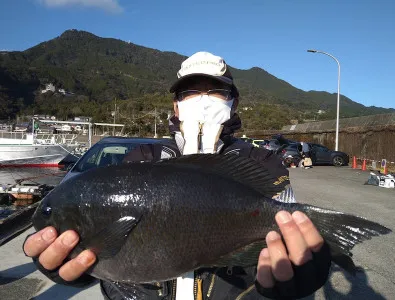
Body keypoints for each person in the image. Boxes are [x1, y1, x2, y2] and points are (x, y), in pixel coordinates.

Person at [23, 52, 331, 299]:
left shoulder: (264, 162)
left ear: (233, 103)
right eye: (192, 91)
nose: (204, 98)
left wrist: (298, 273)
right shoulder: (141, 160)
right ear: (176, 105)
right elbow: (113, 243)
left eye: (217, 91)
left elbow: (289, 232)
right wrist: (71, 266)